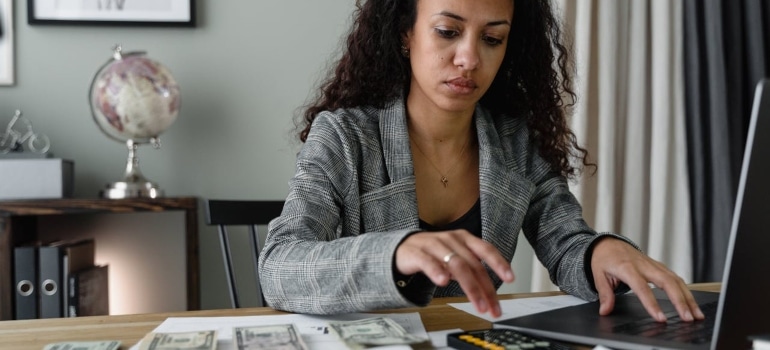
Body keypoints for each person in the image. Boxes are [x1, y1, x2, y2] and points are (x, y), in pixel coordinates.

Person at [258, 0, 704, 323]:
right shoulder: (345, 136)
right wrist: (395, 253)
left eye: (492, 38)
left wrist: (601, 250)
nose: (470, 58)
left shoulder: (514, 142)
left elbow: (566, 243)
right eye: (448, 32)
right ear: (406, 34)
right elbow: (279, 266)